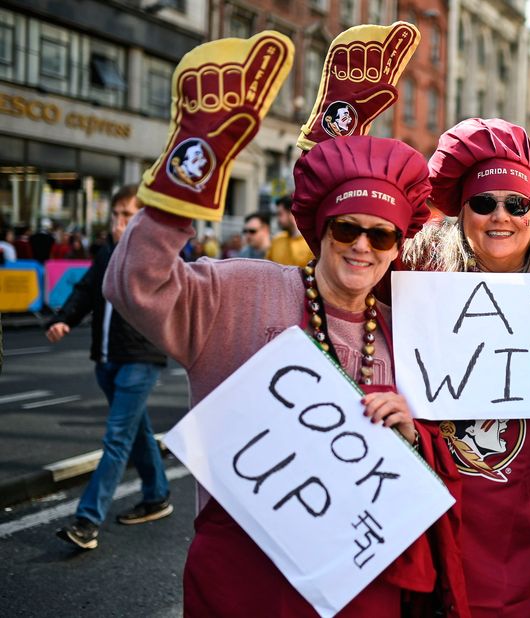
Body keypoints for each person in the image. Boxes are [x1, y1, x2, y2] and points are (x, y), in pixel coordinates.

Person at [102, 29, 469, 617]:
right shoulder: (244, 290)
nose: (362, 247)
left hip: (365, 584)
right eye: (346, 229)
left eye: (382, 235)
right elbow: (136, 286)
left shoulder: (412, 329)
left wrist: (414, 437)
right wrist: (194, 163)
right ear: (318, 230)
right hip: (246, 584)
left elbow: (445, 461)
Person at [403, 117, 530, 617]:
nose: (501, 215)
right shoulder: (416, 284)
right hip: (424, 528)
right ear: (462, 212)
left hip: (524, 539)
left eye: (517, 204)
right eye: (484, 202)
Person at [47, 184, 171, 551]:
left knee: (117, 438)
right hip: (106, 359)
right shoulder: (107, 253)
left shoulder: (153, 255)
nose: (119, 222)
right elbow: (86, 290)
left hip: (140, 358)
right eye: (116, 214)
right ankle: (157, 495)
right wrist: (64, 319)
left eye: (127, 215)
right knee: (137, 433)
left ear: (143, 219)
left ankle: (87, 520)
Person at [266, 194, 314, 267]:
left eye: (280, 214)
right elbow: (268, 269)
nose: (278, 220)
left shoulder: (311, 243)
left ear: (292, 213)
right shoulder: (276, 241)